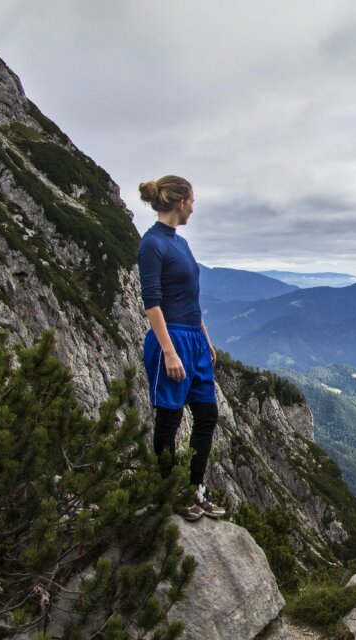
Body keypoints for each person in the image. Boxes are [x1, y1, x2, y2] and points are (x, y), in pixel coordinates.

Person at [137, 175, 225, 521]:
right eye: (192, 201)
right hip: (170, 339)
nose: (193, 207)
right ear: (180, 202)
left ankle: (194, 489)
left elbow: (191, 298)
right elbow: (152, 304)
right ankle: (168, 493)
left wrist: (204, 337)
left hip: (193, 338)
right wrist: (170, 351)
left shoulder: (181, 244)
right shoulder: (152, 244)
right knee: (170, 418)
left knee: (207, 415)